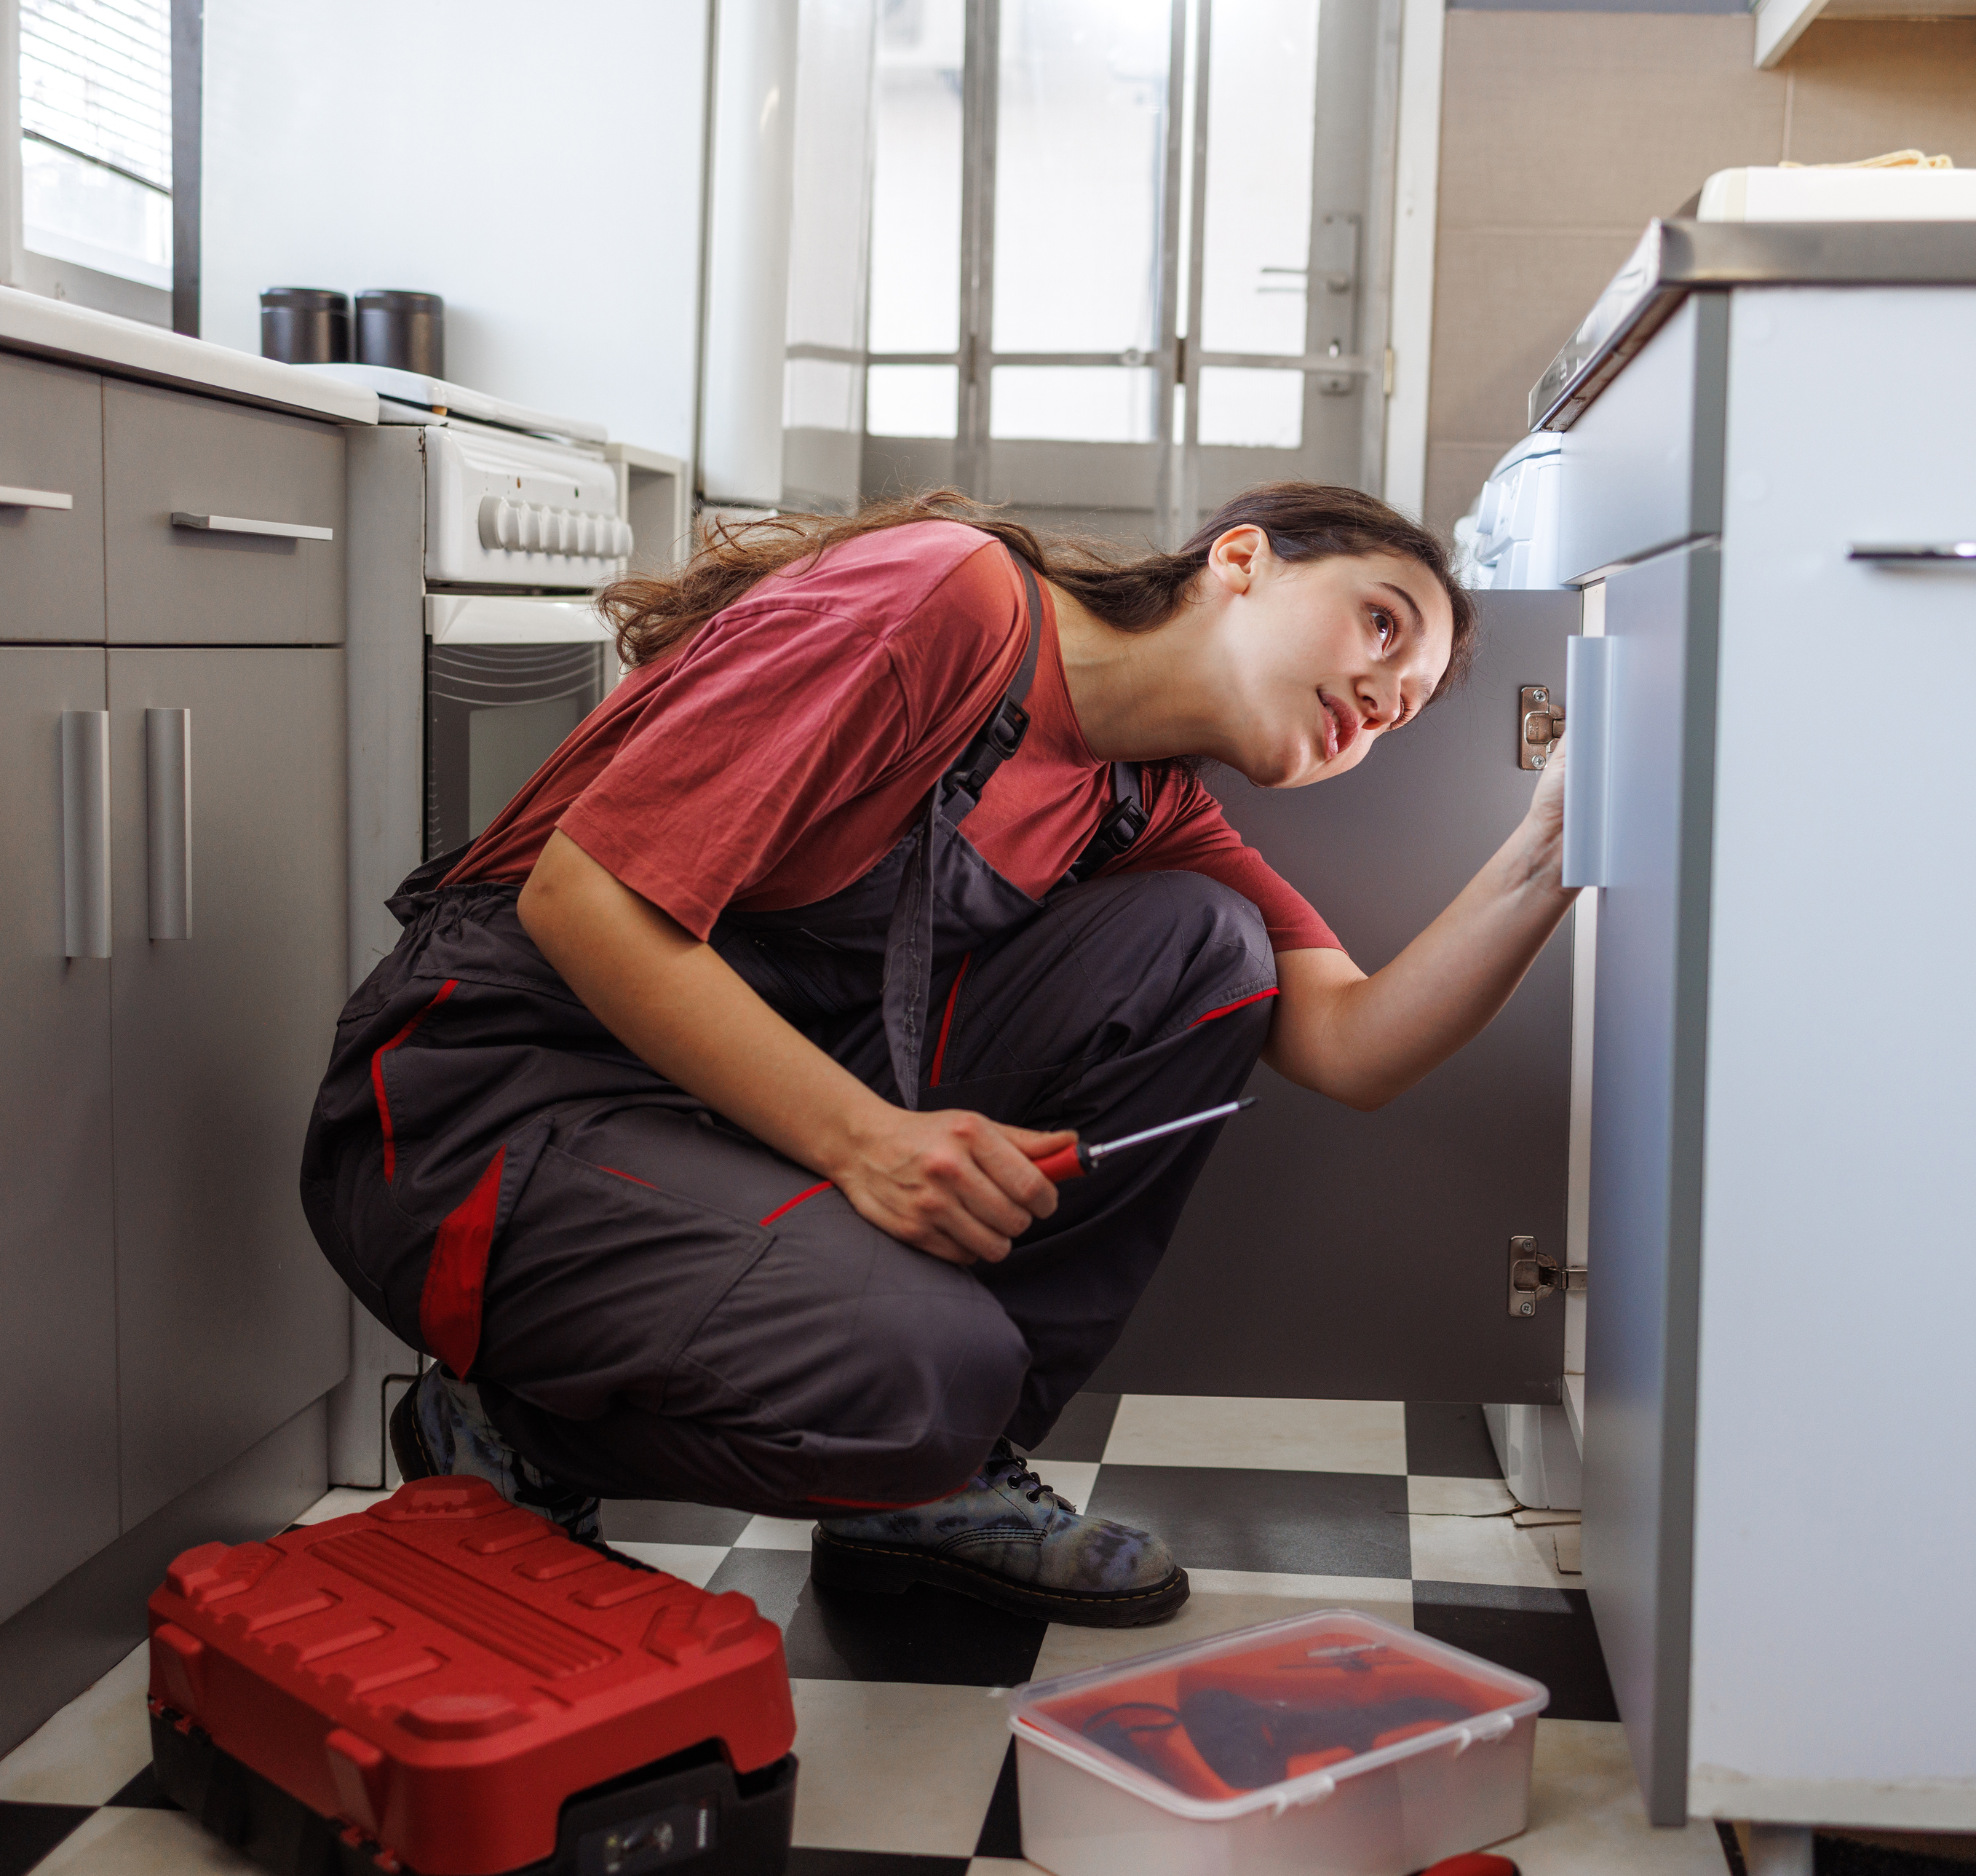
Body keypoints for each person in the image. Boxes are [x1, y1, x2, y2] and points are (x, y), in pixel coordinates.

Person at [301, 483, 1576, 1629]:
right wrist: (868, 1140)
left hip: (690, 1120)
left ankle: (920, 1487)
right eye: (1383, 624)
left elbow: (1353, 1044)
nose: (1384, 698)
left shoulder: (1143, 802)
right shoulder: (947, 595)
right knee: (921, 1372)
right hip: (476, 1107)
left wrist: (1553, 845)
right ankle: (511, 1432)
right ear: (1241, 558)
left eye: (1405, 707)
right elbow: (583, 902)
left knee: (1204, 946)